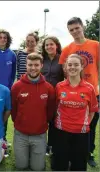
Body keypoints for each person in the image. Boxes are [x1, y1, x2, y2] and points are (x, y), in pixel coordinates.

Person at [58, 17, 99, 167]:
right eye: (71, 30)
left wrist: (97, 86)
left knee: (90, 126)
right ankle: (69, 154)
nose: (75, 32)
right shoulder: (67, 49)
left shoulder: (95, 45)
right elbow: (64, 71)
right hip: (72, 93)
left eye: (77, 28)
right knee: (71, 126)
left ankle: (89, 153)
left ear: (82, 27)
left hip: (92, 92)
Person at [11, 53, 55, 171]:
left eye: (36, 65)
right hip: (21, 134)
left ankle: (36, 157)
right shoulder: (17, 86)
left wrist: (41, 123)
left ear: (41, 65)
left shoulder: (48, 88)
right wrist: (20, 122)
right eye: (30, 65)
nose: (33, 68)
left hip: (39, 134)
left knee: (38, 168)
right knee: (21, 166)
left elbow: (50, 112)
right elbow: (13, 110)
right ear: (26, 65)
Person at [54, 54, 98, 171]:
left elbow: (93, 110)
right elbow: (55, 107)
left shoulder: (89, 88)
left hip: (81, 133)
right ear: (65, 67)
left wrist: (84, 124)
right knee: (60, 165)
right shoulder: (59, 86)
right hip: (61, 131)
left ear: (81, 67)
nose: (72, 67)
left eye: (76, 64)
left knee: (78, 165)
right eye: (70, 64)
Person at [0, 29, 17, 153]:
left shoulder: (12, 54)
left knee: (5, 115)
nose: (2, 39)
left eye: (5, 37)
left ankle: (3, 139)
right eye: (0, 37)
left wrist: (10, 87)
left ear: (8, 39)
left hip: (6, 91)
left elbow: (13, 73)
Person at [41, 36, 64, 167]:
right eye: (46, 45)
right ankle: (42, 146)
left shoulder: (62, 59)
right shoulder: (41, 60)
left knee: (55, 124)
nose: (49, 47)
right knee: (42, 122)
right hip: (42, 97)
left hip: (57, 97)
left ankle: (52, 147)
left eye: (51, 44)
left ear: (56, 45)